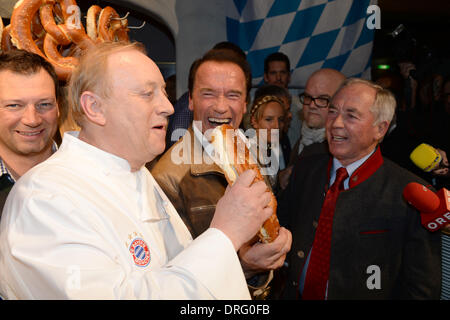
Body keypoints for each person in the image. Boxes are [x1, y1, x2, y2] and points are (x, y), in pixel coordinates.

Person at [0, 42, 274, 300]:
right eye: (147, 94)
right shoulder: (43, 199)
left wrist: (244, 264)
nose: (167, 107)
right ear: (95, 107)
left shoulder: (137, 172)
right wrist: (225, 234)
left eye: (164, 93)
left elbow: (171, 271)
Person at [278, 78, 441, 299]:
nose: (336, 123)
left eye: (351, 116)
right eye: (333, 112)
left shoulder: (410, 193)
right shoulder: (306, 170)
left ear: (380, 129)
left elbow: (422, 289)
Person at [151, 48, 292, 299]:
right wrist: (246, 268)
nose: (221, 107)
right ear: (191, 100)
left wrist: (274, 245)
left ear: (246, 104)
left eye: (233, 95)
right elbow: (172, 282)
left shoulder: (253, 153)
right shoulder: (167, 178)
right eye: (208, 94)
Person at [0, 49, 60, 215]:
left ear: (58, 107)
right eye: (14, 106)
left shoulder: (89, 175)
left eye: (44, 104)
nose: (32, 120)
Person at [279, 68, 345, 190]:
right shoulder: (305, 137)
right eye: (308, 97)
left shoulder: (341, 150)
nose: (312, 105)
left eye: (323, 99)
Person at [263, 52, 302, 149]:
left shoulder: (300, 108)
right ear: (266, 77)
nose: (278, 78)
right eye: (273, 73)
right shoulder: (255, 107)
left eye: (282, 73)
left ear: (289, 77)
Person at [249, 94, 286, 192]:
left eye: (280, 120)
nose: (277, 126)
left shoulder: (271, 151)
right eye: (269, 119)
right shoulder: (246, 154)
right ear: (254, 121)